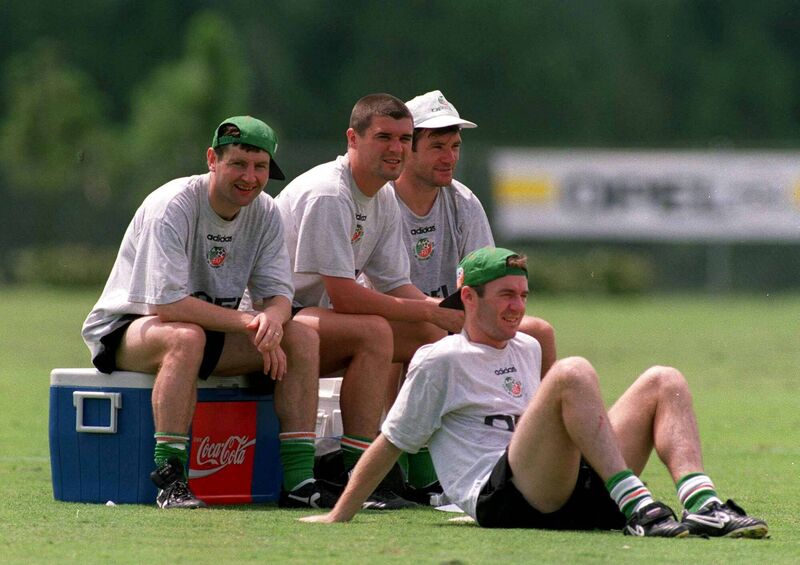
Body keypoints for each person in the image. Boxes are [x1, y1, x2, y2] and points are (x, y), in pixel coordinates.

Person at [300, 247, 768, 539]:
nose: (517, 307)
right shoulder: (439, 359)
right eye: (506, 295)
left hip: (561, 489)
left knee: (664, 379)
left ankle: (703, 504)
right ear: (469, 298)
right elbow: (392, 441)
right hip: (505, 500)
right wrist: (340, 514)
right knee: (572, 372)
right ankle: (640, 507)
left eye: (523, 296)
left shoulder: (526, 346)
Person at [82, 116, 321, 509]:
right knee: (185, 337)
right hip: (129, 326)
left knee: (303, 336)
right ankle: (170, 477)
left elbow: (279, 295)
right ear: (212, 159)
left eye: (260, 167)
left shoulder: (266, 211)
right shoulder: (172, 204)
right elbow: (167, 305)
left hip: (208, 327)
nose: (250, 177)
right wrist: (252, 322)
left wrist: (274, 322)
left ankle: (299, 481)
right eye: (238, 164)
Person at [274, 93, 463, 508]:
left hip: (313, 318)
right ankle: (359, 477)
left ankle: (425, 478)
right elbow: (344, 296)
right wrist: (428, 309)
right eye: (383, 137)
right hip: (270, 319)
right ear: (352, 139)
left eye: (404, 138)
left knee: (431, 336)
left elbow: (394, 282)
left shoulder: (383, 195)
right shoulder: (329, 192)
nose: (396, 149)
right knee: (374, 331)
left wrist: (444, 316)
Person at [383, 90, 557, 498]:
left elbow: (490, 276)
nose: (450, 157)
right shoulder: (381, 201)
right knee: (419, 336)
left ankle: (545, 449)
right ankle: (405, 468)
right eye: (437, 146)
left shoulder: (464, 201)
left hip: (456, 317)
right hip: (397, 318)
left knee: (540, 332)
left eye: (455, 146)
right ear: (408, 147)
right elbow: (373, 288)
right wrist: (433, 312)